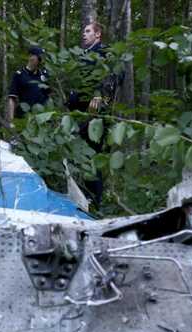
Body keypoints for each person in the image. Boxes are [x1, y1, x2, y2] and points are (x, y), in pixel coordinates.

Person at [68, 21, 120, 206]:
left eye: (88, 31)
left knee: (93, 157)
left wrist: (101, 95)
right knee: (82, 156)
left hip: (97, 117)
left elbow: (115, 75)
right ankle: (84, 198)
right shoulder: (83, 56)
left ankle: (95, 202)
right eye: (84, 31)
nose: (84, 34)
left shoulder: (105, 53)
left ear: (98, 34)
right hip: (80, 114)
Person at [7, 46, 51, 122]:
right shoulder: (19, 75)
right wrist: (11, 120)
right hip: (25, 116)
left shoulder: (44, 74)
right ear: (31, 57)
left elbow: (48, 97)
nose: (41, 61)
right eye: (39, 58)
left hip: (42, 117)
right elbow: (12, 98)